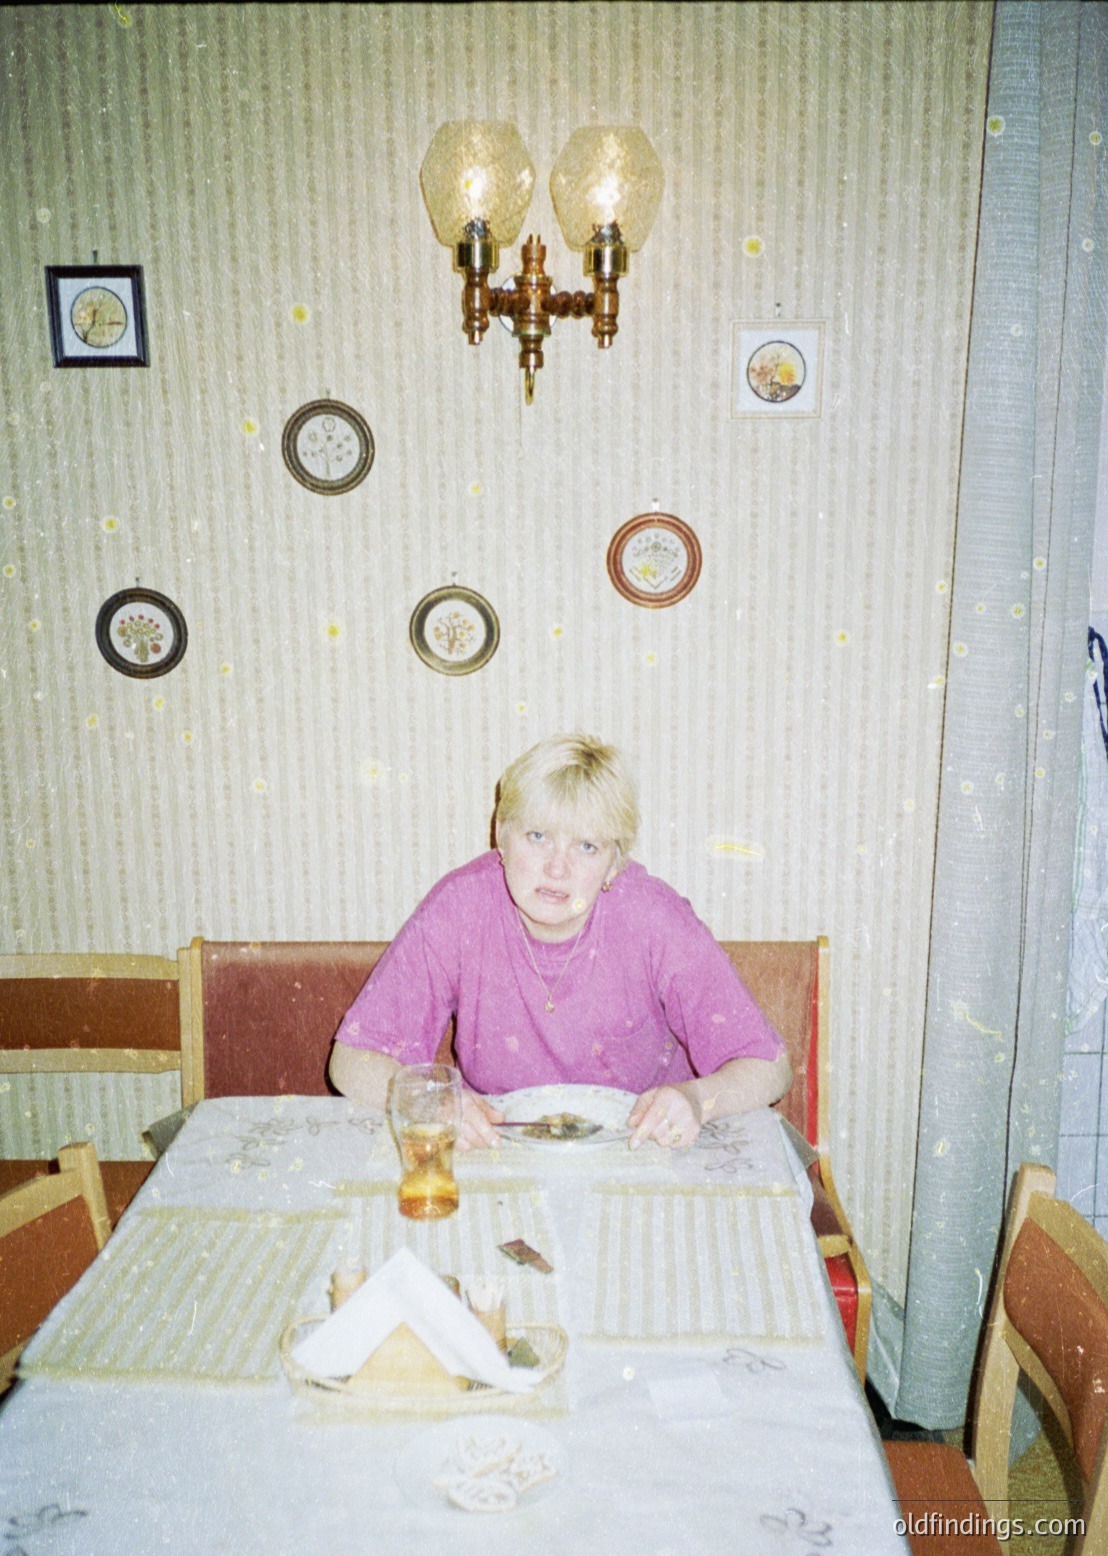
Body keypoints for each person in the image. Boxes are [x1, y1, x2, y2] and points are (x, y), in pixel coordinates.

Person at [329, 733, 791, 1150]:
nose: (556, 868)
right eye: (537, 836)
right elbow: (351, 1060)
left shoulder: (654, 917)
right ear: (501, 836)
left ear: (615, 864)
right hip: (502, 1155)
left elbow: (770, 1067)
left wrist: (695, 1099)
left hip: (641, 1153)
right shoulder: (460, 907)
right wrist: (436, 1107)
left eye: (586, 847)